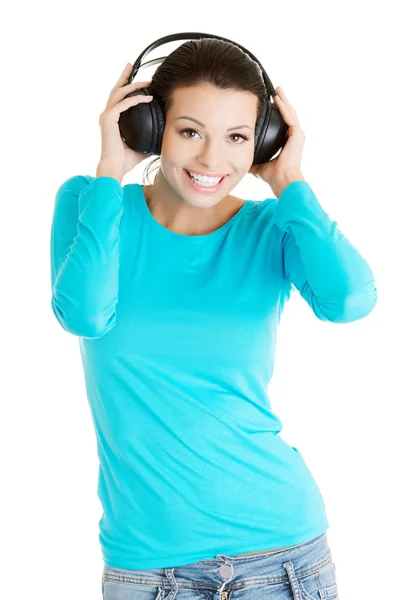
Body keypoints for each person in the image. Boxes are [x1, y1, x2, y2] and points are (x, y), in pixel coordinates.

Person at [50, 38, 377, 598]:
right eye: (189, 131)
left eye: (237, 138)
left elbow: (350, 301)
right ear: (149, 127)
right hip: (147, 567)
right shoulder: (91, 204)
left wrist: (288, 183)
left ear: (264, 141)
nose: (211, 161)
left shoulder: (272, 226)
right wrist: (110, 171)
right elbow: (84, 314)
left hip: (283, 559)